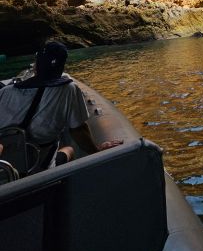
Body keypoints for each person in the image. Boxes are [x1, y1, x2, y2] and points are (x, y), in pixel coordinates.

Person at [0, 40, 121, 170]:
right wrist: (97, 151)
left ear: (36, 65)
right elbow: (78, 131)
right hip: (41, 170)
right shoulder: (68, 89)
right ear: (61, 66)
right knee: (69, 149)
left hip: (6, 170)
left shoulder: (5, 92)